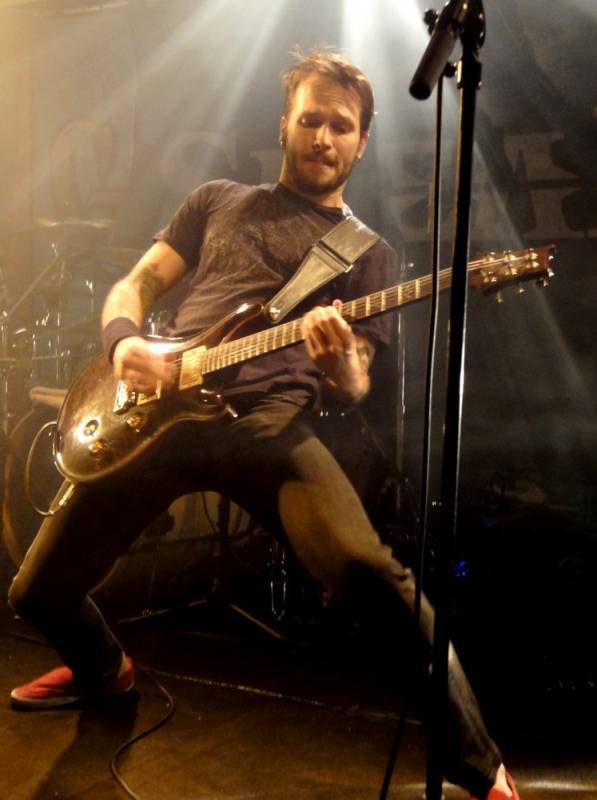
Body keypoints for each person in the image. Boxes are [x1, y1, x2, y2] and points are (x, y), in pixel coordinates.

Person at [8, 49, 519, 800]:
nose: (323, 137)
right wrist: (124, 345)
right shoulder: (217, 200)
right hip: (161, 411)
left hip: (268, 428)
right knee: (35, 592)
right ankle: (104, 670)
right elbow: (137, 284)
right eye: (310, 120)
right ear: (283, 125)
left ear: (362, 141)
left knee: (370, 573)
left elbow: (353, 384)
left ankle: (482, 768)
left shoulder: (367, 254)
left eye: (340, 126)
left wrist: (341, 364)